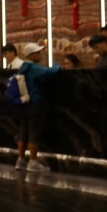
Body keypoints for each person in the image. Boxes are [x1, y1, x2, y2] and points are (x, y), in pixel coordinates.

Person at [14, 42, 62, 173]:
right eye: (37, 52)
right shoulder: (33, 68)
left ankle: (20, 160)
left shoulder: (23, 67)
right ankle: (33, 162)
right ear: (31, 55)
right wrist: (57, 65)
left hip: (24, 104)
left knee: (23, 133)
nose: (40, 54)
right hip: (36, 103)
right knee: (34, 133)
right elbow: (51, 72)